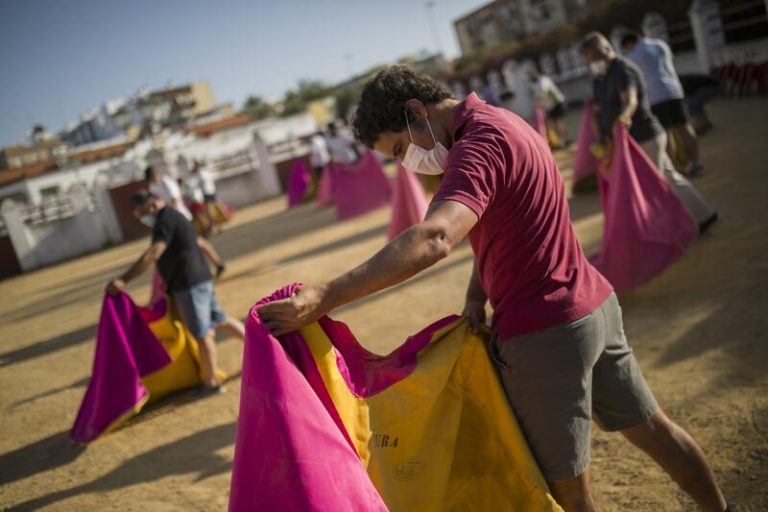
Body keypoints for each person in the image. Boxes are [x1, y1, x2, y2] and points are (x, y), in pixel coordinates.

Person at [258, 66, 730, 512]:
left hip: (545, 334)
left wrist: (324, 297)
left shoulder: (475, 146)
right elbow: (511, 224)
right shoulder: (504, 120)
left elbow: (435, 238)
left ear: (417, 111)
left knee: (565, 492)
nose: (408, 164)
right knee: (656, 431)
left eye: (401, 148)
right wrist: (475, 294)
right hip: (594, 307)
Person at [580, 32, 718, 233]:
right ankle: (693, 218)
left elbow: (631, 100)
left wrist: (624, 117)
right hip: (630, 142)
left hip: (647, 136)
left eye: (593, 59)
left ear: (606, 50)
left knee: (664, 179)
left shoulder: (623, 69)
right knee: (658, 181)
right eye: (588, 61)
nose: (592, 64)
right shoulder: (600, 79)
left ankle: (698, 218)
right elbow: (600, 109)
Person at [107, 190, 245, 392]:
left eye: (142, 213)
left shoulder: (165, 221)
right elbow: (198, 243)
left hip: (189, 284)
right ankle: (259, 345)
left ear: (152, 206)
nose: (143, 219)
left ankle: (211, 383)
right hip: (199, 279)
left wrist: (124, 279)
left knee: (202, 333)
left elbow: (154, 253)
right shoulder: (175, 215)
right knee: (220, 320)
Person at [621, 30, 703, 175]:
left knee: (666, 134)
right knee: (685, 128)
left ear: (629, 44)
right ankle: (696, 162)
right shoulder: (661, 45)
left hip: (656, 97)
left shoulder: (634, 56)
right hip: (674, 91)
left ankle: (676, 171)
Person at [145, 166, 226, 276]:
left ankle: (216, 263)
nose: (152, 180)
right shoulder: (153, 185)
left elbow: (175, 199)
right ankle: (214, 265)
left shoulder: (167, 182)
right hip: (169, 219)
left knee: (196, 242)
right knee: (190, 244)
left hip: (180, 217)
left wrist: (168, 216)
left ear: (157, 174)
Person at [528, 66, 569, 146]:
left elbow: (544, 93)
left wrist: (538, 104)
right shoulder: (534, 84)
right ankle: (561, 139)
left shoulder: (544, 80)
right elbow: (537, 96)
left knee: (558, 121)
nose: (530, 77)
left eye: (531, 75)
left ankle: (564, 139)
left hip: (557, 102)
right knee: (553, 123)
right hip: (549, 106)